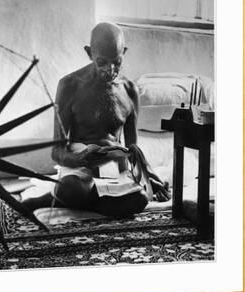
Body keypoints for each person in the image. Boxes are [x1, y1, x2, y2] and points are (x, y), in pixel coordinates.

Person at [23, 22, 170, 217]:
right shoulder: (69, 85)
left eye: (117, 62)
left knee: (141, 198)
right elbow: (56, 151)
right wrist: (79, 159)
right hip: (80, 168)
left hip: (115, 170)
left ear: (124, 52)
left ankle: (61, 200)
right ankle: (72, 198)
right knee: (70, 187)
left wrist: (148, 174)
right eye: (102, 61)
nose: (110, 69)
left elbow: (133, 147)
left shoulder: (130, 90)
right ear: (89, 53)